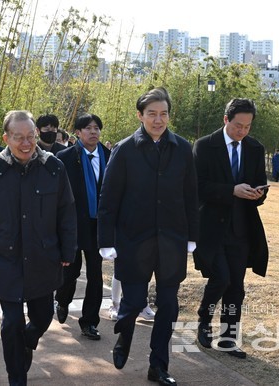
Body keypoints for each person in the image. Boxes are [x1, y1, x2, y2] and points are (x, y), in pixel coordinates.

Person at [0, 110, 77, 385]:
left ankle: (27, 341)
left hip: (44, 255)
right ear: (6, 138)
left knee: (43, 316)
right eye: (18, 138)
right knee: (11, 322)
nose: (26, 143)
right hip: (7, 258)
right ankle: (17, 377)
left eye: (30, 136)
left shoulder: (53, 167)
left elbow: (67, 212)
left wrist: (68, 250)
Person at [97, 87, 199, 385]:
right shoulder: (125, 149)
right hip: (133, 240)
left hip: (172, 240)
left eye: (163, 114)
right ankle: (123, 337)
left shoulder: (182, 148)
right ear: (140, 115)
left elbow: (190, 195)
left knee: (168, 305)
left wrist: (192, 235)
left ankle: (159, 366)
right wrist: (106, 241)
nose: (158, 120)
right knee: (132, 304)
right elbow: (109, 198)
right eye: (152, 114)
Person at [193, 98, 269, 360]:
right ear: (226, 120)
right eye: (238, 125)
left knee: (236, 286)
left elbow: (261, 185)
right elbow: (197, 187)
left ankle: (229, 339)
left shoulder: (255, 148)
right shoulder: (204, 146)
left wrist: (257, 194)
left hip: (242, 228)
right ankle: (204, 320)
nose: (243, 131)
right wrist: (231, 191)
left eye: (248, 127)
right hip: (211, 227)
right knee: (221, 278)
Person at [54, 113, 110, 340]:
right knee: (71, 271)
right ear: (77, 132)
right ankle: (62, 299)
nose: (93, 132)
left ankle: (89, 322)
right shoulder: (65, 157)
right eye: (88, 128)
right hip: (74, 225)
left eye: (97, 127)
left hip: (100, 225)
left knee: (96, 275)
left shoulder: (109, 155)